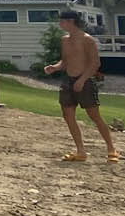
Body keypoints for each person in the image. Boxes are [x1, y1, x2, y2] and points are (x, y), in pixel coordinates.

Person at [44, 10, 120, 162]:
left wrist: (82, 80)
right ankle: (80, 151)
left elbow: (95, 63)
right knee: (68, 115)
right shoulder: (64, 40)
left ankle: (111, 149)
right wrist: (55, 67)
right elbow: (65, 61)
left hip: (85, 81)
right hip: (68, 80)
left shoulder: (87, 40)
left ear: (71, 21)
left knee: (94, 116)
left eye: (62, 21)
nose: (60, 24)